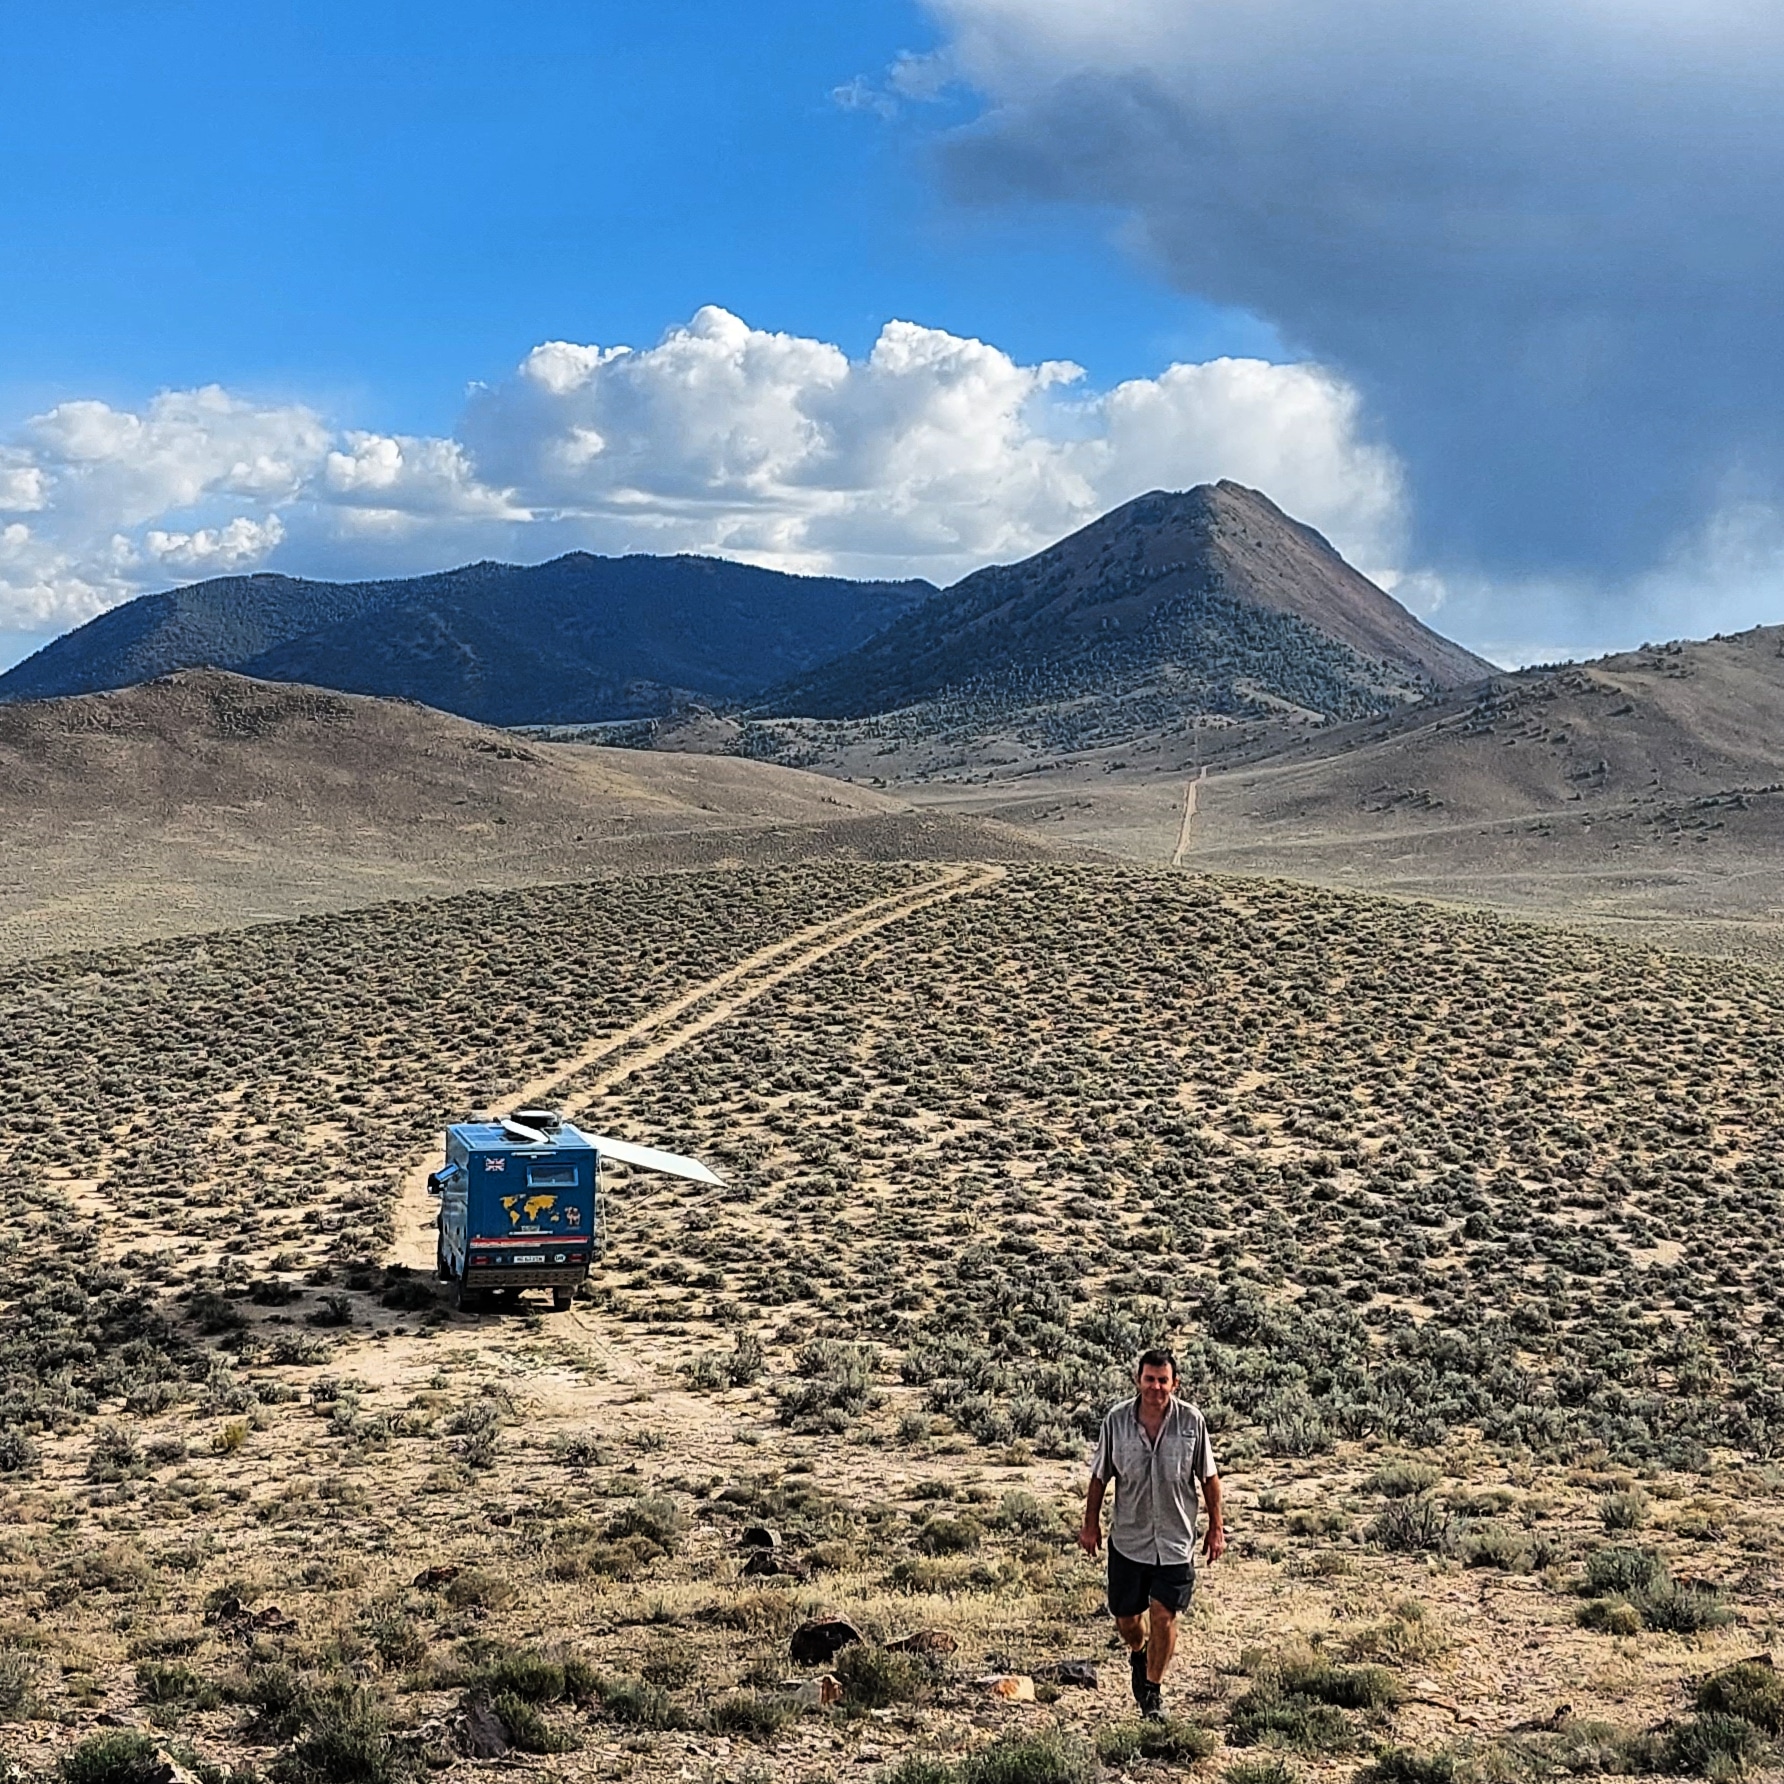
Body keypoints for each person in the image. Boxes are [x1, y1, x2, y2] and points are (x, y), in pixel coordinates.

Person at [1079, 1348, 1224, 1720]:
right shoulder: (1117, 1421)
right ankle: (1138, 1653)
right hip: (1129, 1539)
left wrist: (1216, 1529)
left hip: (1176, 1541)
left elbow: (1209, 1478)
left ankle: (1153, 1692)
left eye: (1163, 1380)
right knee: (1128, 1620)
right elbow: (1099, 1476)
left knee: (1164, 1614)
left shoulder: (1192, 1422)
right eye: (1150, 1379)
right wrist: (1090, 1524)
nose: (1156, 1387)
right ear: (1138, 1380)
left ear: (1175, 1383)